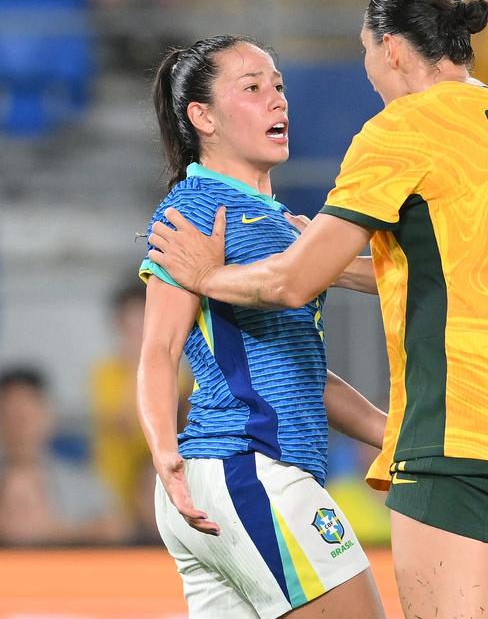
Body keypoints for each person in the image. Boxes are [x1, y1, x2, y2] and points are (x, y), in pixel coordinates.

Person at [146, 0, 488, 618]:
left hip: (457, 432)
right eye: (255, 88)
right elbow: (452, 271)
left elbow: (291, 284)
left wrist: (209, 275)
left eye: (365, 53)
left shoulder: (405, 127)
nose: (369, 74)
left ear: (393, 49)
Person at [138, 35, 386, 617]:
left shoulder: (280, 223)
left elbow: (302, 372)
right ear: (204, 117)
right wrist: (163, 453)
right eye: (251, 88)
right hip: (248, 471)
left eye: (277, 85)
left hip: (222, 486)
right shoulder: (197, 209)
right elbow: (159, 349)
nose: (277, 100)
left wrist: (388, 433)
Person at [90, 282, 192, 543]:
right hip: (114, 489)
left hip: (159, 482)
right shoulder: (106, 375)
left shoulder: (178, 373)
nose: (138, 330)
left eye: (143, 319)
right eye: (130, 322)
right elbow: (124, 423)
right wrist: (141, 361)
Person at [0, 366, 128, 546]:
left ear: (47, 416)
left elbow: (117, 527)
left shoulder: (79, 479)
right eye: (10, 416)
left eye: (27, 415)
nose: (20, 427)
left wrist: (53, 531)